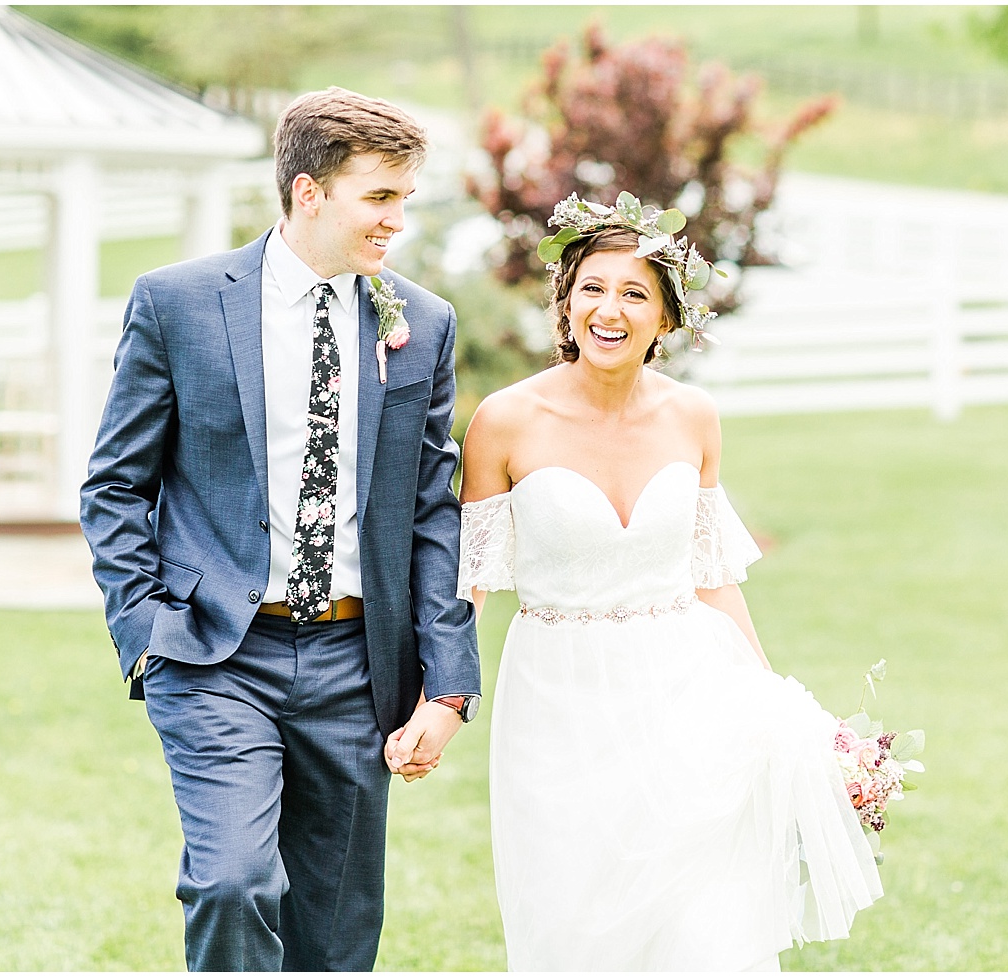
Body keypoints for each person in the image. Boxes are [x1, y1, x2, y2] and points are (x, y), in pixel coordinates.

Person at [80, 87, 481, 972]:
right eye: (380, 196)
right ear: (309, 191)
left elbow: (430, 512)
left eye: (406, 197)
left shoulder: (422, 323)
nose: (398, 219)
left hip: (356, 661)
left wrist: (449, 683)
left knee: (335, 932)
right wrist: (145, 627)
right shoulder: (179, 304)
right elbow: (114, 484)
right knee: (231, 880)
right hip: (216, 651)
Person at [457, 192, 883, 971]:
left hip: (686, 690)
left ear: (666, 317)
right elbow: (470, 583)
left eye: (634, 293)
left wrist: (784, 715)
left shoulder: (694, 416)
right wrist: (440, 699)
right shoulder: (505, 421)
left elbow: (714, 578)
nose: (609, 309)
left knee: (706, 923)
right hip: (556, 699)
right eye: (592, 287)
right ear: (566, 302)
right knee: (574, 923)